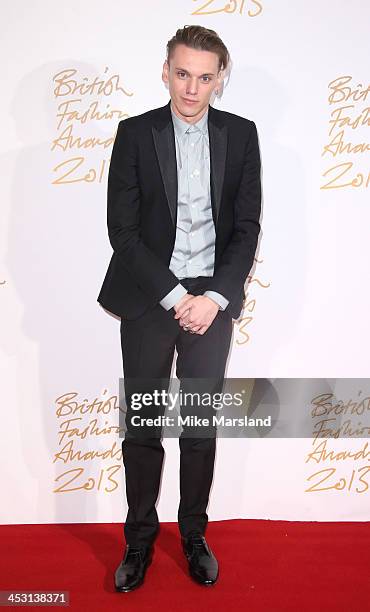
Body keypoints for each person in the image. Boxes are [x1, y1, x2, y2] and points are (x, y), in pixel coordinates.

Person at [97, 24, 262, 592]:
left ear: (220, 80)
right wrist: (175, 296)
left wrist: (213, 297)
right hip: (149, 295)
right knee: (142, 423)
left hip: (211, 300)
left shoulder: (241, 136)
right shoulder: (134, 134)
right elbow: (123, 232)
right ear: (165, 71)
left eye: (205, 77)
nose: (192, 88)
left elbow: (247, 228)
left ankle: (193, 535)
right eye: (183, 73)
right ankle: (138, 542)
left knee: (198, 424)